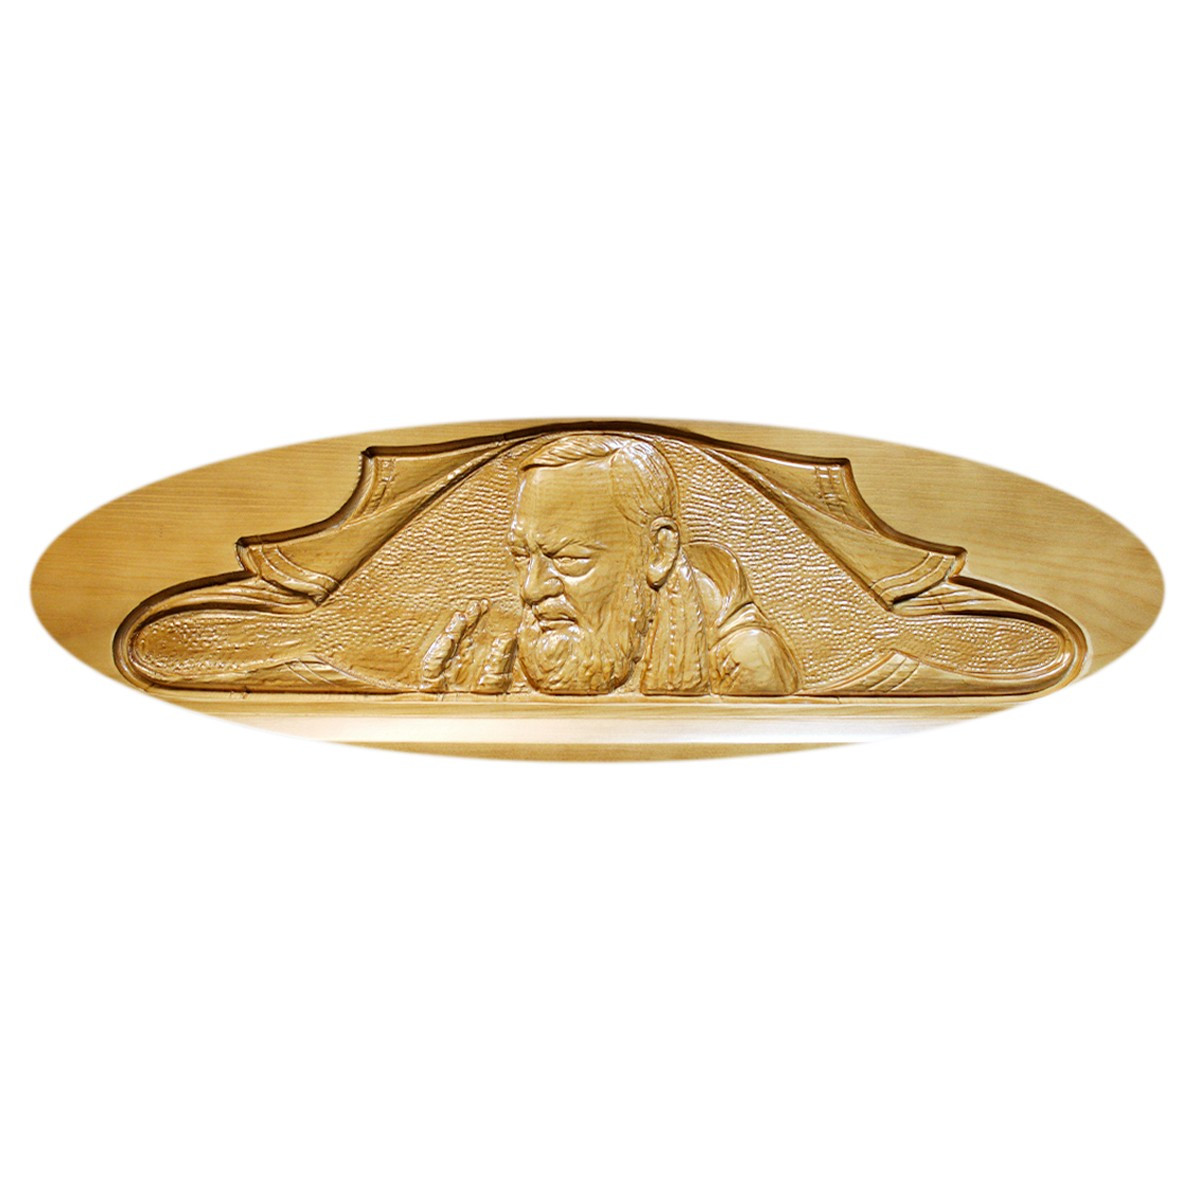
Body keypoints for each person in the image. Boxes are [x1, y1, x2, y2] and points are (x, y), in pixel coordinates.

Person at [419, 434, 800, 695]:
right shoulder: (485, 650)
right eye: (522, 556)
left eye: (568, 559)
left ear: (658, 553)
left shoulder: (745, 664)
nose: (530, 589)